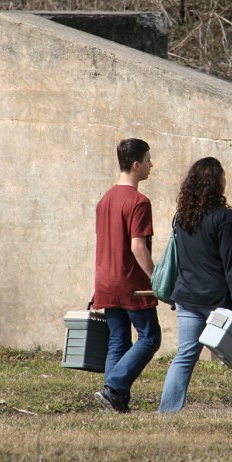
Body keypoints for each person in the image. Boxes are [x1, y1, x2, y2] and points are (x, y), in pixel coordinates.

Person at [158, 157, 232, 413]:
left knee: (184, 356)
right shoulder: (225, 219)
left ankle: (167, 411)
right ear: (216, 182)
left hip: (186, 299)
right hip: (219, 304)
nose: (226, 180)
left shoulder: (182, 217)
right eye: (223, 176)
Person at [91, 138, 162, 413]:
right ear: (136, 165)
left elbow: (103, 244)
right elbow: (137, 247)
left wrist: (94, 285)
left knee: (118, 340)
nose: (150, 165)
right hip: (131, 283)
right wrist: (156, 279)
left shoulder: (105, 199)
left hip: (105, 282)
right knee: (150, 337)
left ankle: (114, 400)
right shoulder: (139, 202)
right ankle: (113, 389)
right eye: (147, 160)